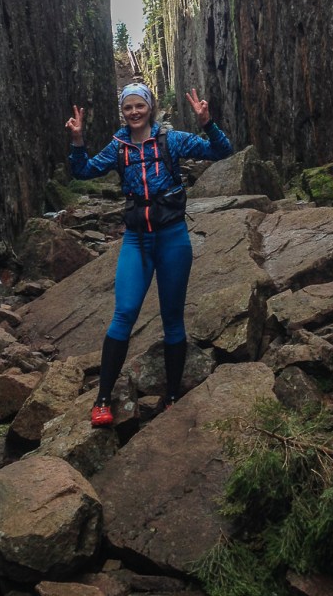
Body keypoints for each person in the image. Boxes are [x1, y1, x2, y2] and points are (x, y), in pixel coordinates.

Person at [65, 83, 233, 426]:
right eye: (128, 107)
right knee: (124, 313)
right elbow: (82, 171)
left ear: (150, 107)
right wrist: (78, 140)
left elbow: (221, 151)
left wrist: (207, 123)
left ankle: (171, 397)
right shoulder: (118, 147)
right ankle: (102, 401)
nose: (134, 112)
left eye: (139, 105)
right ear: (123, 112)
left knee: (172, 319)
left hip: (172, 238)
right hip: (137, 242)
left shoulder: (172, 140)